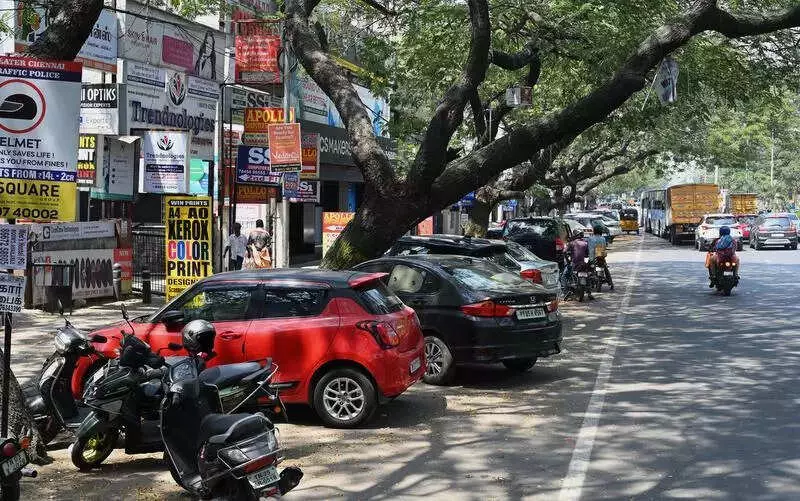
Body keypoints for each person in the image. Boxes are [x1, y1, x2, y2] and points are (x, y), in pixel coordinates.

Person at [564, 229, 594, 300]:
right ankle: (589, 293)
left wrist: (568, 261)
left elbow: (564, 252)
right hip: (583, 264)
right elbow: (587, 254)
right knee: (589, 275)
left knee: (564, 276)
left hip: (574, 264)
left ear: (575, 235)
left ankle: (566, 292)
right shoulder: (585, 243)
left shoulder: (571, 243)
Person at [586, 224, 613, 290]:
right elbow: (604, 247)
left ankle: (586, 284)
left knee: (587, 270)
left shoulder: (590, 238)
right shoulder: (603, 238)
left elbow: (588, 248)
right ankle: (610, 283)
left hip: (592, 258)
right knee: (606, 269)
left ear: (594, 231)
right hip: (600, 257)